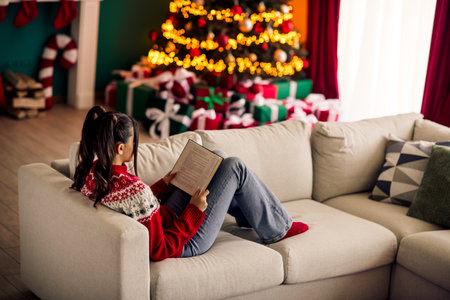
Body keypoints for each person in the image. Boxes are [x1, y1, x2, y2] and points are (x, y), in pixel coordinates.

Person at [72, 106, 308, 261]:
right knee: (235, 166)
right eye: (134, 141)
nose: (136, 146)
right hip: (185, 242)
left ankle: (250, 214)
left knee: (217, 156)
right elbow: (161, 249)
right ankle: (278, 229)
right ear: (120, 148)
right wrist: (194, 211)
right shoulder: (134, 190)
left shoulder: (92, 174)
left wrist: (163, 185)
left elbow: (136, 206)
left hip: (166, 220)